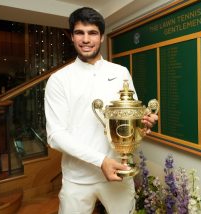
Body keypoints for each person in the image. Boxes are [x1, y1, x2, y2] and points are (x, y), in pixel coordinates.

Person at [44, 7, 158, 214]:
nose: (86, 39)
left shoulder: (120, 72)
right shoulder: (59, 80)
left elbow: (132, 119)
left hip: (119, 172)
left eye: (92, 33)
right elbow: (55, 136)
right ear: (71, 36)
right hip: (77, 179)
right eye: (80, 32)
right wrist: (101, 161)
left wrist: (143, 123)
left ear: (102, 37)